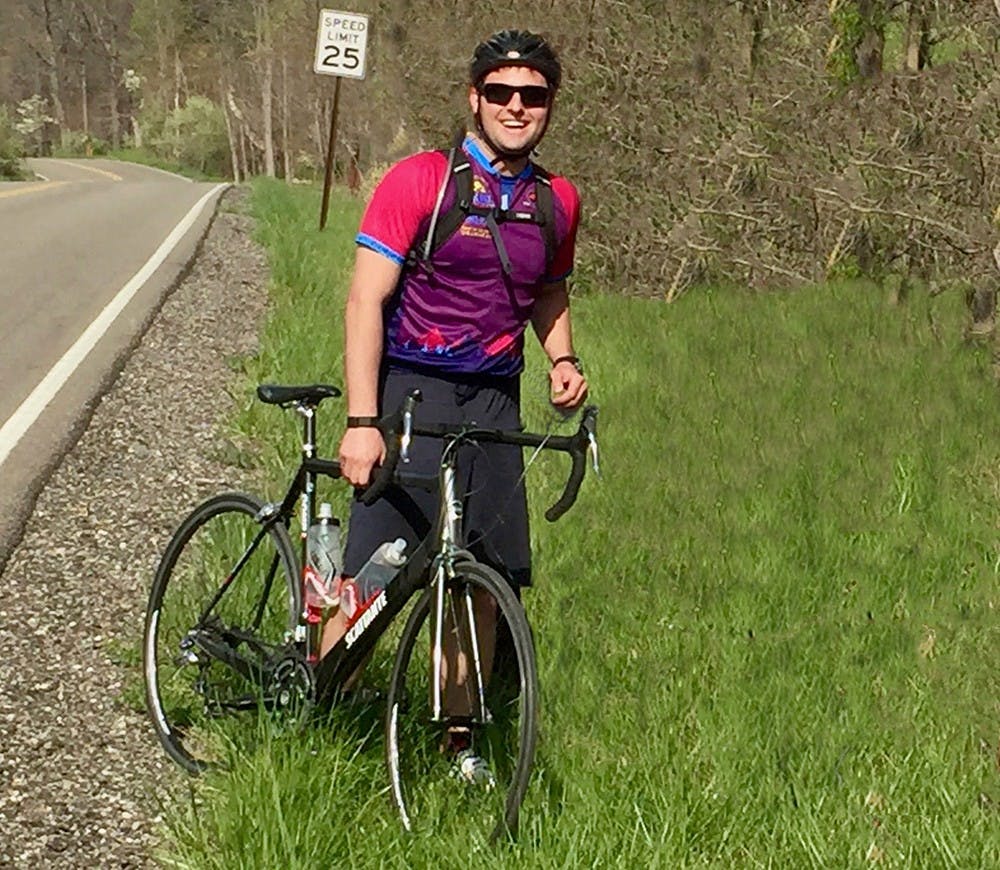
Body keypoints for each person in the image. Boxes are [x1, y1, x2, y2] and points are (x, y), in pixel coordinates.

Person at [327, 28, 589, 782]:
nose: (516, 107)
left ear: (549, 107)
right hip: (410, 388)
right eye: (500, 93)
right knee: (374, 574)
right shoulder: (421, 181)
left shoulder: (556, 202)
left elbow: (547, 290)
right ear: (474, 99)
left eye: (532, 96)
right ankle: (316, 707)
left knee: (481, 578)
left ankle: (458, 743)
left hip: (495, 400)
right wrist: (361, 420)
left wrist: (562, 360)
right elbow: (364, 302)